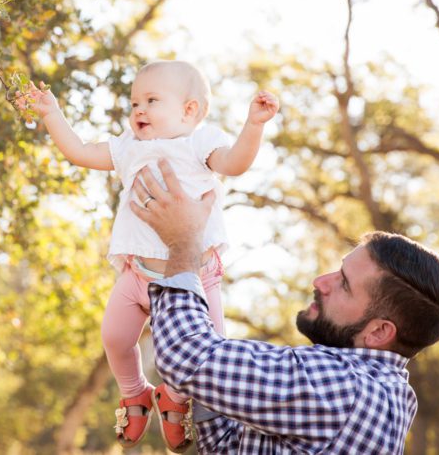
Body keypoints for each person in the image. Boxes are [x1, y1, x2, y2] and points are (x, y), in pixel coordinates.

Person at [17, 60, 279, 452]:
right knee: (115, 338)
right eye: (135, 101)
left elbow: (235, 164)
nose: (138, 109)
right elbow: (81, 153)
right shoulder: (128, 146)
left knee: (206, 354)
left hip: (194, 280)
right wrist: (53, 115)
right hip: (137, 274)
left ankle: (174, 397)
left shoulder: (198, 143)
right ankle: (135, 390)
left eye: (152, 100)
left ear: (189, 110)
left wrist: (254, 125)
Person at [129, 159, 439, 454]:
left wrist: (182, 242)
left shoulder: (346, 391)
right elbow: (227, 448)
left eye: (343, 283)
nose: (321, 281)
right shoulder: (380, 395)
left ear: (379, 331)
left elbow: (185, 356)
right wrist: (204, 384)